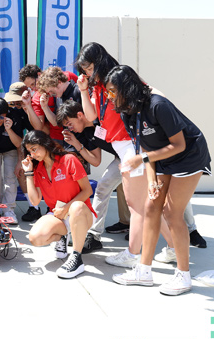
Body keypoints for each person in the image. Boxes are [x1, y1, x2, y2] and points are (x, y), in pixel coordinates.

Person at [105, 65, 211, 296]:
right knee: (151, 207)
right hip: (162, 156)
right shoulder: (127, 112)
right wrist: (151, 180)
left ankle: (183, 276)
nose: (109, 97)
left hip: (188, 156)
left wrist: (141, 159)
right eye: (108, 92)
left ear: (126, 87)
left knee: (172, 214)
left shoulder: (158, 105)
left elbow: (179, 145)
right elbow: (147, 147)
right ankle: (143, 271)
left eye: (112, 91)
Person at [76, 42, 148, 268]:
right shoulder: (96, 86)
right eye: (84, 69)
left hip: (131, 145)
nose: (86, 72)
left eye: (88, 67)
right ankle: (164, 248)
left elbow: (147, 94)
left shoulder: (118, 79)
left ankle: (135, 254)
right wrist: (83, 90)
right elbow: (91, 117)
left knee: (139, 203)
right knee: (140, 200)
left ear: (98, 62)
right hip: (121, 148)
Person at [22, 131, 96, 278]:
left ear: (45, 144)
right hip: (58, 215)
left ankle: (76, 257)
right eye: (29, 150)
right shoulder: (38, 169)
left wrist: (66, 208)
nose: (32, 153)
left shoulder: (68, 159)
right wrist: (29, 173)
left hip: (81, 213)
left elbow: (87, 191)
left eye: (34, 148)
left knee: (76, 207)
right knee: (35, 238)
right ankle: (62, 235)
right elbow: (35, 201)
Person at [56, 100, 120, 254]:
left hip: (140, 153)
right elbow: (96, 161)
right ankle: (93, 236)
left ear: (80, 115)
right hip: (122, 159)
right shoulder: (85, 133)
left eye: (70, 123)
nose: (69, 128)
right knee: (102, 186)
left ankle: (189, 229)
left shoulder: (101, 116)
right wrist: (76, 143)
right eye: (67, 126)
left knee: (163, 195)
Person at [4, 82, 47, 222]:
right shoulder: (13, 111)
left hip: (50, 144)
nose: (16, 106)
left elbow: (39, 128)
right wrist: (19, 161)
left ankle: (52, 207)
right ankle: (33, 207)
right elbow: (20, 141)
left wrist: (28, 107)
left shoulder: (36, 104)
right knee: (22, 171)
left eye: (18, 103)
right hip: (31, 147)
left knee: (49, 174)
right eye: (13, 103)